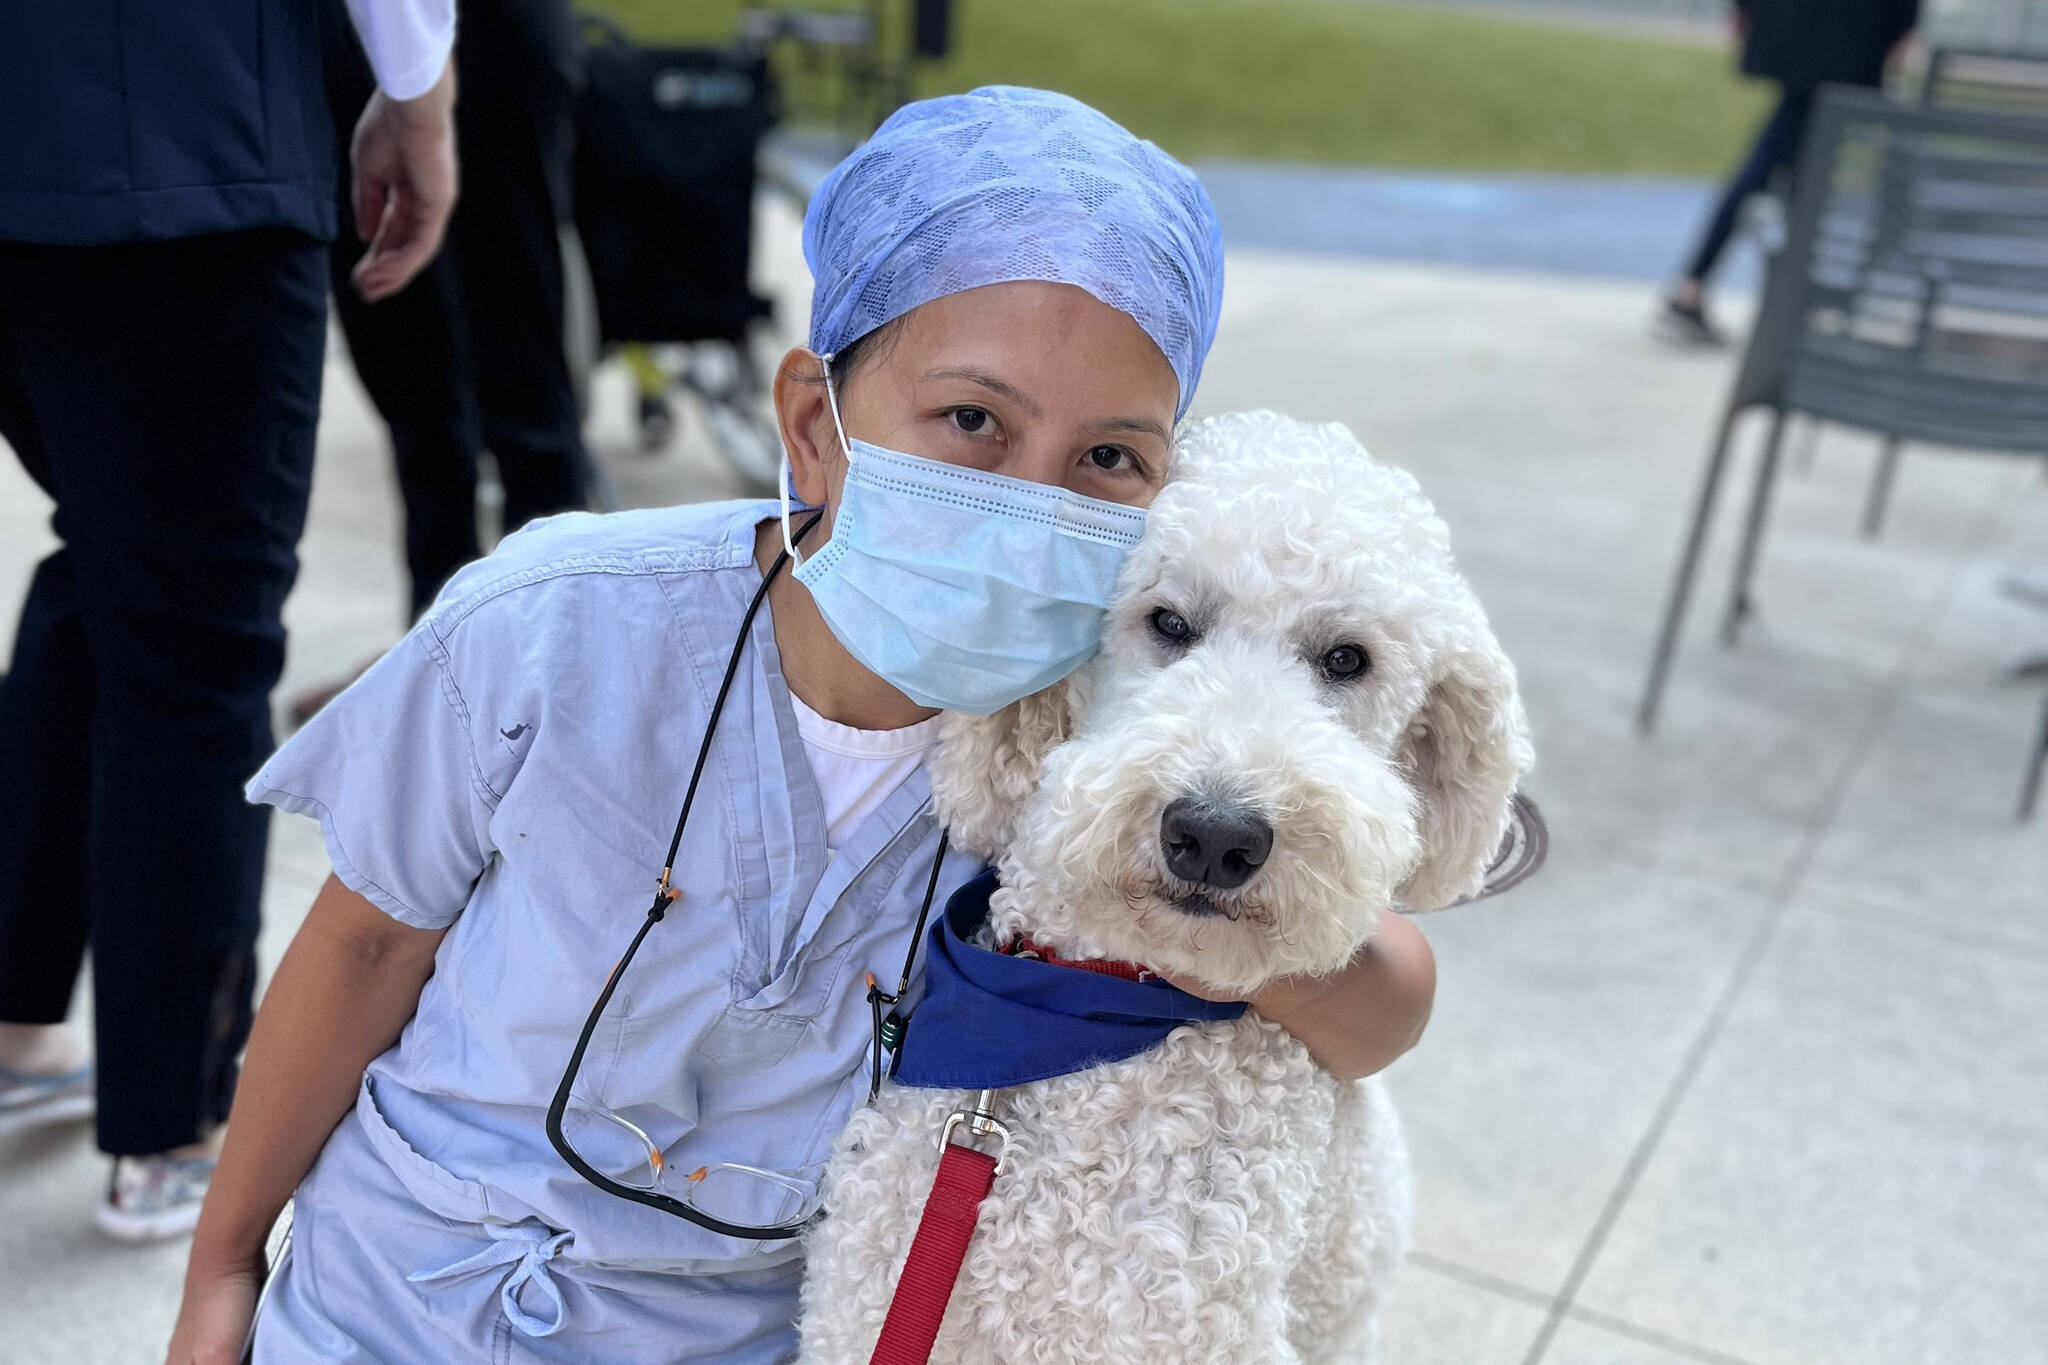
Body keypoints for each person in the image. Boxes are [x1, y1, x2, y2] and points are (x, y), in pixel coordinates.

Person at [167, 87, 1439, 1363]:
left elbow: (1381, 1008)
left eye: (1108, 458)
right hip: (386, 1301)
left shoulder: (1086, 755)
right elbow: (361, 952)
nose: (1028, 499)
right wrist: (223, 1270)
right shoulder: (550, 627)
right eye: (972, 421)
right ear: (812, 428)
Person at [0, 0, 457, 1242]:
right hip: (182, 126)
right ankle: (174, 1127)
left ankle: (18, 1015)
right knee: (195, 630)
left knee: (112, 558)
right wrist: (417, 88)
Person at [321, 0, 590, 630]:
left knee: (519, 344)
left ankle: (558, 638)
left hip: (487, 33)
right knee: (403, 353)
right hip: (358, 33)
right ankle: (439, 644)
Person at [1659, 0, 1921, 344]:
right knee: (1789, 181)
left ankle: (1717, 288)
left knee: (1784, 178)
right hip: (1845, 58)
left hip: (1807, 54)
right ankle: (1766, 298)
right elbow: (1902, 16)